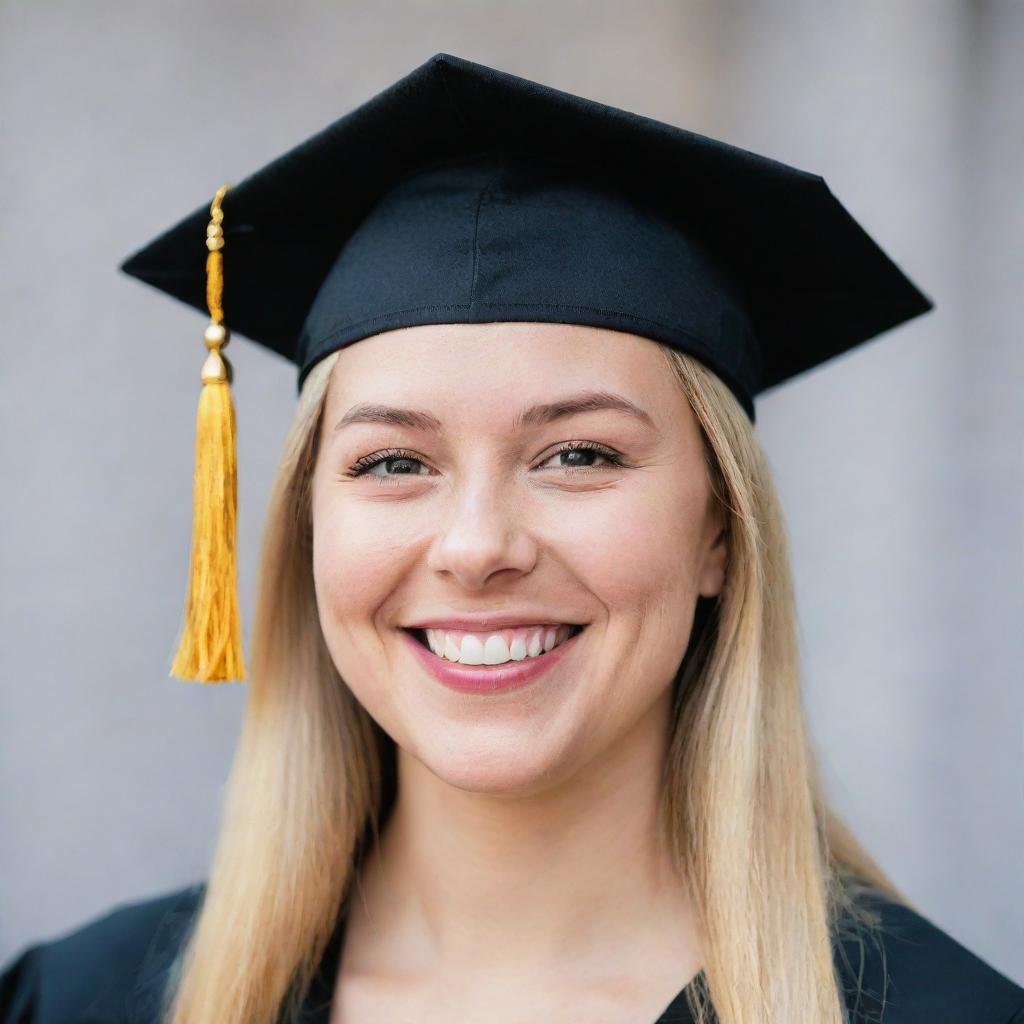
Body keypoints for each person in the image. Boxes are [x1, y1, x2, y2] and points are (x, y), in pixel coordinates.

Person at [2, 52, 1021, 1024]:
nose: (477, 544)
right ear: (310, 519)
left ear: (718, 528)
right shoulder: (87, 999)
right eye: (393, 463)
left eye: (578, 455)